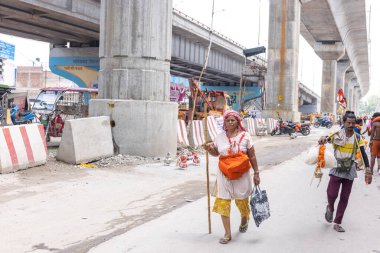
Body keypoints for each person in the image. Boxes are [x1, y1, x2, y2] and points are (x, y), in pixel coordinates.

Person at [203, 110, 260, 244]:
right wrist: (209, 149)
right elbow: (216, 153)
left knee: (242, 202)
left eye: (232, 120)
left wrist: (256, 173)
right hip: (224, 175)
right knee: (223, 201)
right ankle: (227, 234)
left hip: (242, 175)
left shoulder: (245, 136)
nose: (230, 122)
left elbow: (252, 155)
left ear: (238, 122)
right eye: (227, 120)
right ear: (225, 122)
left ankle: (244, 218)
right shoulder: (220, 136)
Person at [318, 111, 371, 232]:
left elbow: (363, 154)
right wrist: (322, 139)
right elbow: (326, 138)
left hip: (350, 169)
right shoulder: (336, 134)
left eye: (353, 123)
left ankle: (337, 222)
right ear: (343, 123)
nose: (351, 125)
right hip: (336, 167)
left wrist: (368, 169)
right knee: (332, 194)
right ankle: (330, 208)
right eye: (348, 122)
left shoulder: (358, 138)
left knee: (344, 197)